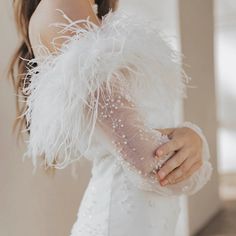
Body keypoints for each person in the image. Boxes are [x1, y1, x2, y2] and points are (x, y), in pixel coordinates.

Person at [9, 0, 213, 235]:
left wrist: (192, 143)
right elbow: (149, 166)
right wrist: (197, 147)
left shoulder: (84, 8)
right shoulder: (64, 6)